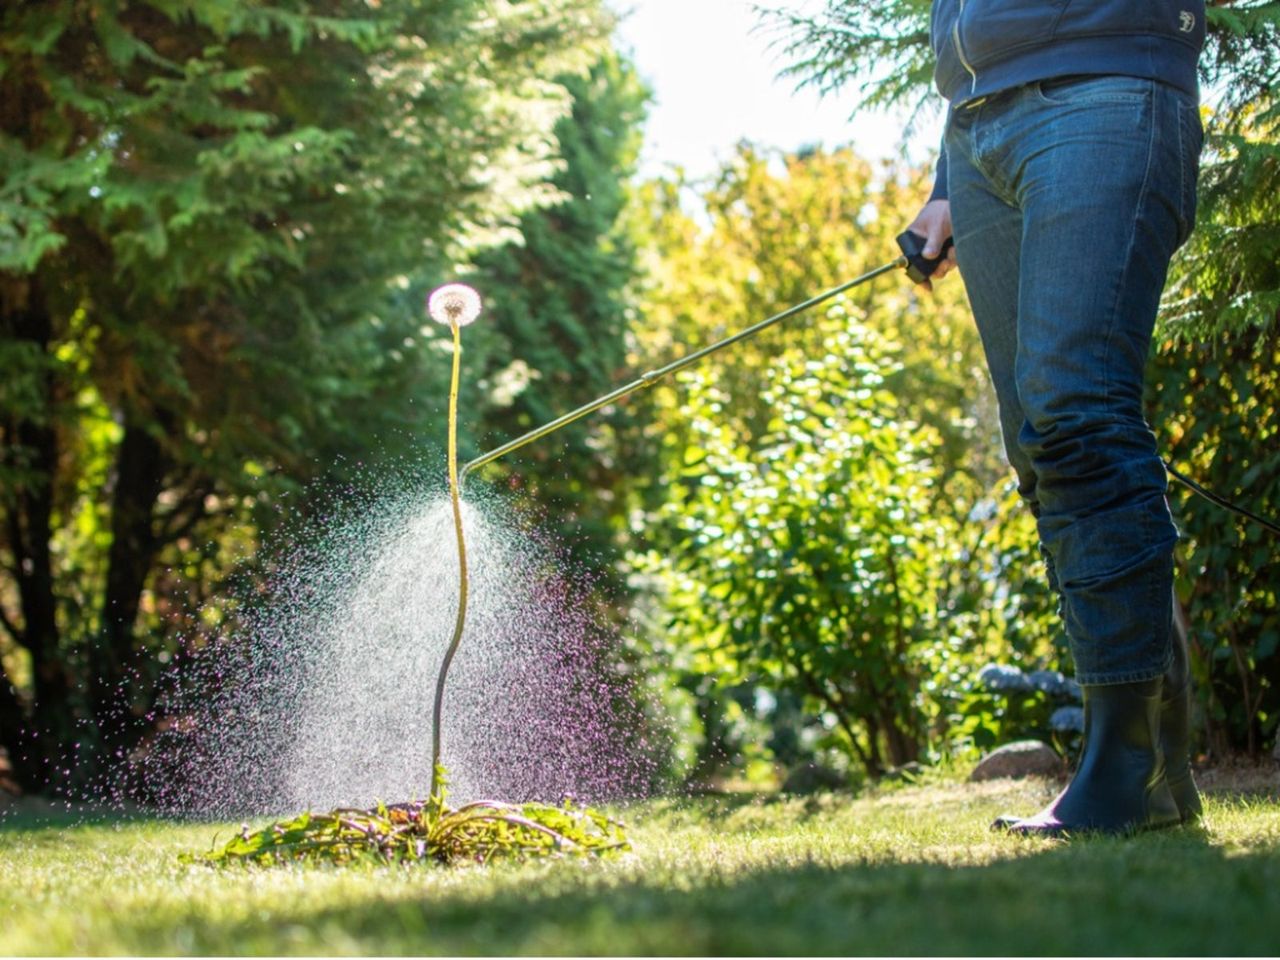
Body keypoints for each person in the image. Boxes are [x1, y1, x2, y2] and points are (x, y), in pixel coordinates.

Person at [905, 0, 1207, 835]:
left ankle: (1123, 760)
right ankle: (1153, 751)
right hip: (977, 131)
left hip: (1107, 88)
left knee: (1078, 415)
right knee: (1042, 448)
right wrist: (945, 182)